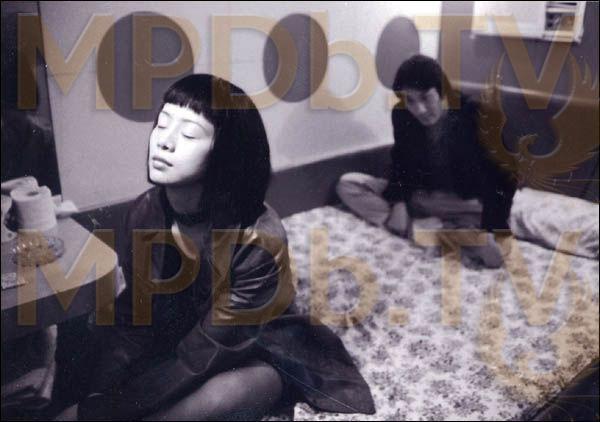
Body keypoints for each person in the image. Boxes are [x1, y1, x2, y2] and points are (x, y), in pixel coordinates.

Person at [60, 74, 374, 420]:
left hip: (253, 349)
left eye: (189, 134)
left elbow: (206, 351)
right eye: (162, 124)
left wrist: (99, 412)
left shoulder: (259, 239)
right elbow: (136, 319)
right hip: (178, 342)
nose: (165, 142)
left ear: (224, 153)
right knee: (90, 351)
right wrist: (98, 395)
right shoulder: (144, 212)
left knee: (213, 399)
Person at [336, 55, 517, 268]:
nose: (419, 109)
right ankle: (429, 231)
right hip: (421, 198)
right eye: (410, 100)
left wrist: (492, 228)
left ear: (442, 91)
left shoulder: (478, 115)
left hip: (463, 204)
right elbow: (401, 160)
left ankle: (430, 232)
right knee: (348, 183)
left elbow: (505, 177)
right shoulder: (402, 115)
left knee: (496, 255)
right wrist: (399, 202)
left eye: (425, 98)